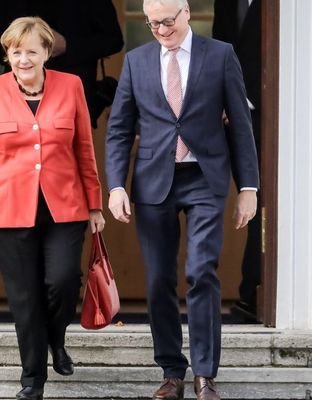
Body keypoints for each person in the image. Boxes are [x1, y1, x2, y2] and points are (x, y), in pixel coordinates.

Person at [105, 1, 259, 399]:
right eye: (153, 23)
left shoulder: (221, 55)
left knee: (201, 270)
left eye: (168, 21)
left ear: (186, 12)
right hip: (153, 181)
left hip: (205, 178)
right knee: (158, 279)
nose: (161, 29)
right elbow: (119, 128)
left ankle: (205, 375)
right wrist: (116, 185)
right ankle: (172, 372)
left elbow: (240, 125)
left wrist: (248, 188)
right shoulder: (137, 62)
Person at [0, 17, 105, 400]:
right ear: (7, 55)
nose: (24, 59)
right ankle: (33, 379)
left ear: (46, 53)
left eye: (32, 51)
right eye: (16, 52)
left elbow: (84, 149)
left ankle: (56, 338)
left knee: (62, 281)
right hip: (8, 210)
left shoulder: (71, 87)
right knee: (24, 296)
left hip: (65, 207)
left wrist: (94, 204)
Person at [0, 0, 124, 127]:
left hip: (72, 94)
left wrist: (68, 46)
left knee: (68, 154)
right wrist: (22, 53)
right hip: (19, 93)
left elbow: (113, 40)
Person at [213, 0, 262, 323]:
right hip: (227, 117)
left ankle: (253, 291)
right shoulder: (226, 1)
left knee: (261, 203)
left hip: (276, 113)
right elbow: (220, 46)